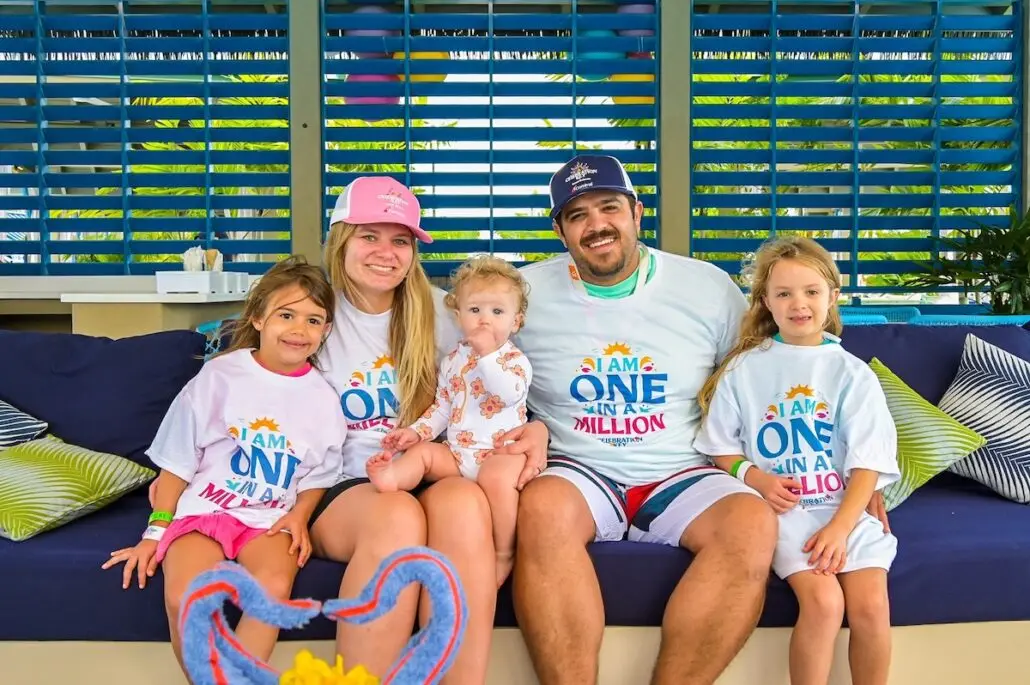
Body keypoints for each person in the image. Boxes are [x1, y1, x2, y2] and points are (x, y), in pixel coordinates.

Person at [505, 153, 779, 685]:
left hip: (683, 467)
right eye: (577, 215)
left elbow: (757, 384)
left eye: (609, 207)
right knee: (541, 510)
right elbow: (475, 373)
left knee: (750, 523)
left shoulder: (707, 288)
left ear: (636, 212)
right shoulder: (521, 294)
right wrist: (528, 424)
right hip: (578, 468)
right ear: (560, 230)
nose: (596, 225)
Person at [306, 176, 550, 684]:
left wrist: (538, 430)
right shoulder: (313, 315)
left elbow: (504, 387)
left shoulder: (447, 314)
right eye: (368, 236)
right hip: (346, 485)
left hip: (437, 466)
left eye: (400, 240)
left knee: (465, 506)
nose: (385, 252)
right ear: (340, 239)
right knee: (397, 516)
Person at [106, 256, 346, 675]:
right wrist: (154, 533)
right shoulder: (219, 376)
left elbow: (320, 473)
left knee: (272, 591)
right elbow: (177, 464)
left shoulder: (324, 399)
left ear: (325, 330)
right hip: (204, 512)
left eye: (313, 320)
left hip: (268, 518)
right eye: (286, 315)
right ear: (257, 317)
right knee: (187, 597)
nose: (299, 329)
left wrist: (301, 515)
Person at [694, 236, 899, 685]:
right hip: (784, 516)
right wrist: (756, 478)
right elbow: (719, 448)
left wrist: (841, 528)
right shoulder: (744, 370)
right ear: (766, 301)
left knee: (871, 605)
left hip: (844, 513)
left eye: (811, 291)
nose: (798, 304)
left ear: (832, 296)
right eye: (783, 293)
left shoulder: (851, 373)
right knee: (824, 603)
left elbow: (868, 460)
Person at [366, 255, 533, 587]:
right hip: (458, 455)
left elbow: (508, 394)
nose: (484, 320)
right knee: (424, 454)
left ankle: (504, 550)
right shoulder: (454, 360)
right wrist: (416, 432)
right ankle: (392, 476)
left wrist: (487, 356)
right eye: (475, 310)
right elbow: (443, 407)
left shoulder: (513, 360)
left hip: (500, 453)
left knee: (498, 480)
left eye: (497, 312)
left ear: (516, 322)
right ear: (459, 317)